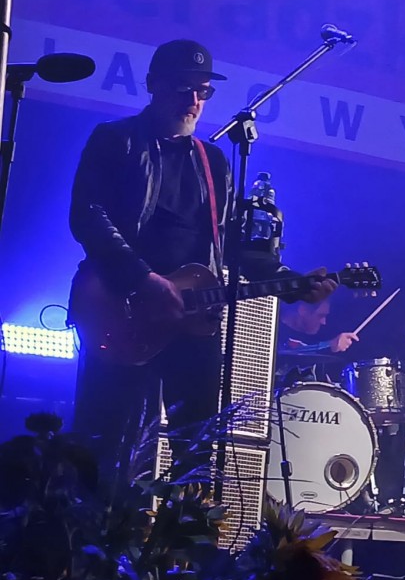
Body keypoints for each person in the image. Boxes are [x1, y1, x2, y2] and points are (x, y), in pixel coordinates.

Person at [68, 39, 336, 491]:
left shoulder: (213, 162)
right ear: (153, 85)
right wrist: (143, 279)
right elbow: (87, 216)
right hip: (124, 309)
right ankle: (94, 530)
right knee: (105, 447)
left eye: (203, 91)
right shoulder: (117, 140)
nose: (193, 100)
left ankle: (185, 531)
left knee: (195, 451)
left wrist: (293, 283)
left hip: (193, 323)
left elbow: (229, 245)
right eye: (182, 87)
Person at [276, 298, 359, 384]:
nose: (324, 322)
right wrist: (330, 345)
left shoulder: (319, 334)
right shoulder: (276, 331)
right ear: (303, 310)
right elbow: (284, 355)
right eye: (320, 316)